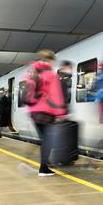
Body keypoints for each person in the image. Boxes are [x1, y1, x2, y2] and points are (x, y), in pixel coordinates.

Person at [26, 49, 67, 177]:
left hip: (34, 112)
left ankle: (45, 164)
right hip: (46, 112)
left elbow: (29, 95)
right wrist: (61, 113)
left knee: (45, 139)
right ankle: (43, 168)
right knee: (47, 141)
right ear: (50, 60)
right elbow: (56, 95)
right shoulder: (51, 74)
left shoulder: (34, 73)